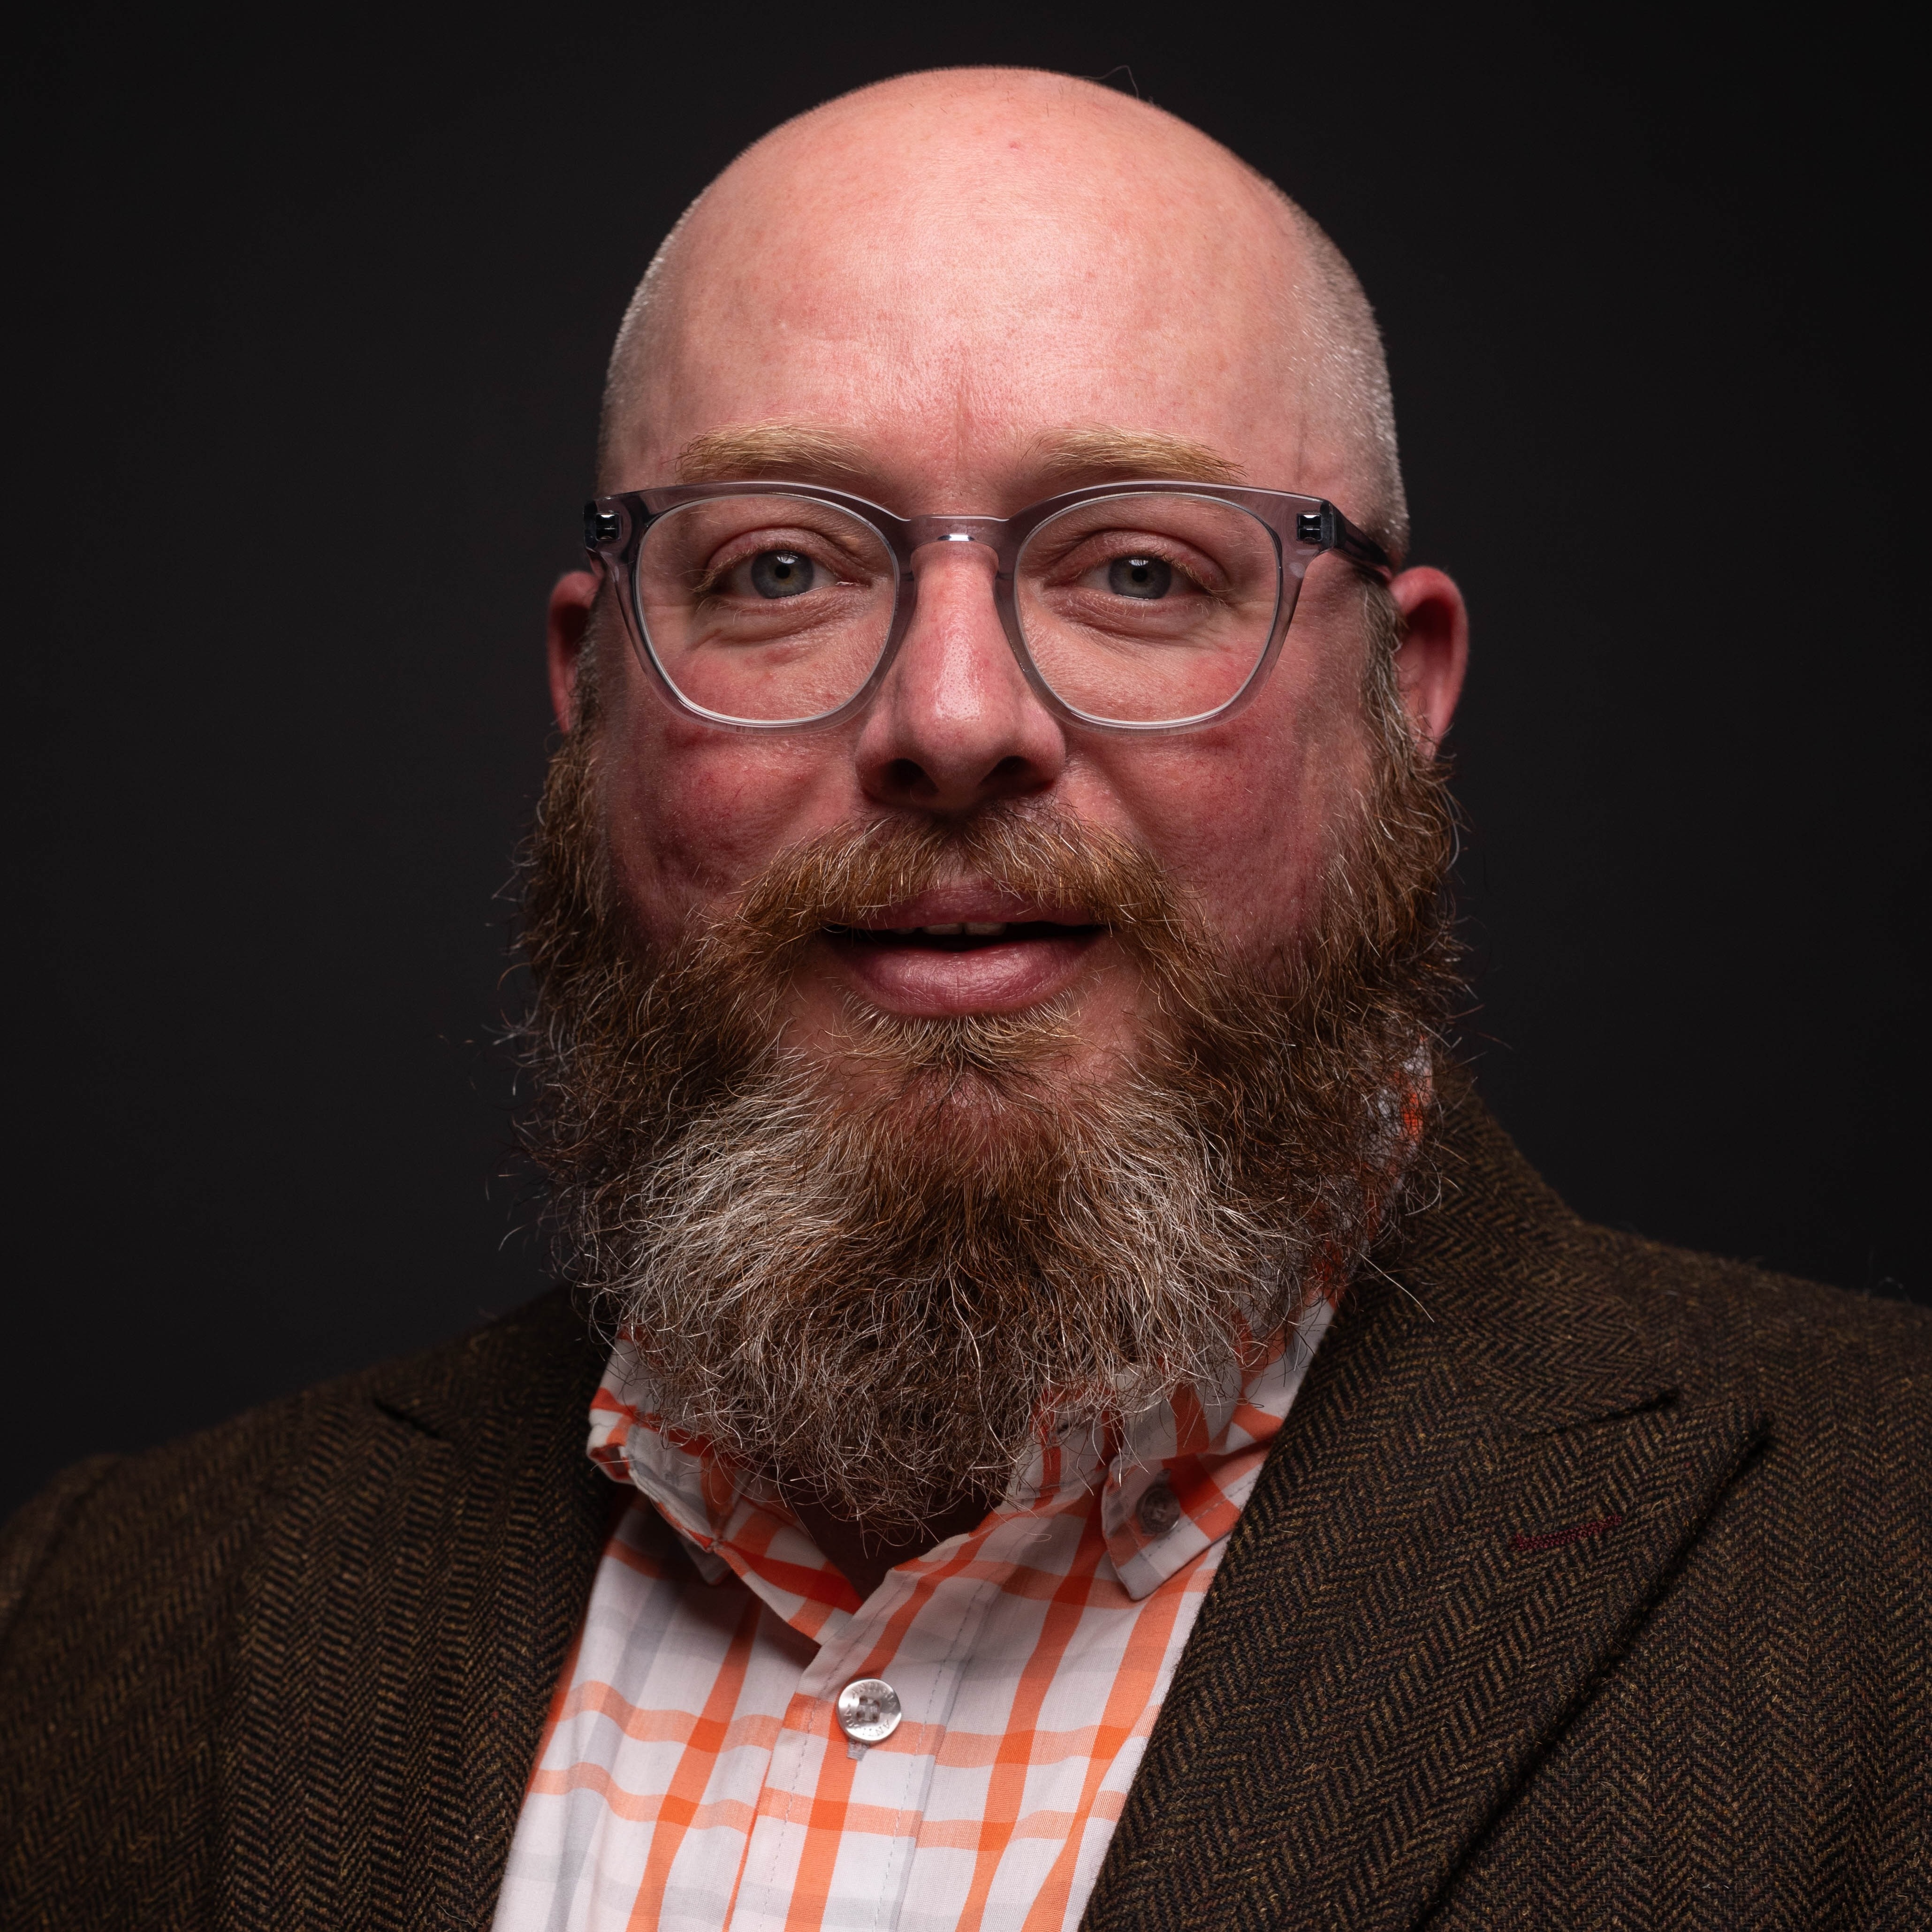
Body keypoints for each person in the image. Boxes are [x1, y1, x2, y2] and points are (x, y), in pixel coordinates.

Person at [2, 67, 1925, 1932]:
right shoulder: (90, 1611)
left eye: (1139, 569)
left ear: (1398, 697)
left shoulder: (1884, 1568)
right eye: (779, 564)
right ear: (594, 693)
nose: (950, 721)